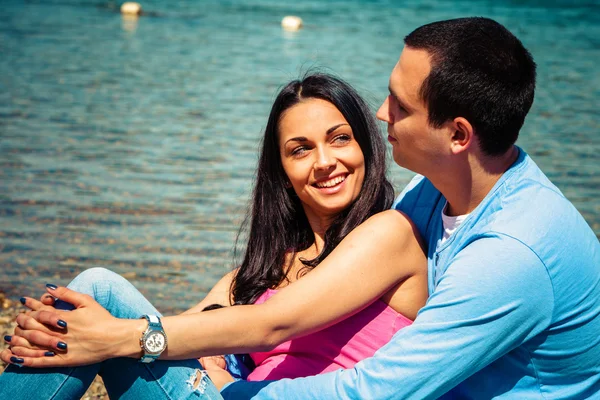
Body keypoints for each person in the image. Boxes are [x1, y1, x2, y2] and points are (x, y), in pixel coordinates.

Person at [4, 16, 600, 399]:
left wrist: (127, 343)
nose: (383, 114)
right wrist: (115, 334)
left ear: (459, 135)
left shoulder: (509, 256)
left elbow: (372, 390)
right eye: (299, 149)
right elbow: (231, 310)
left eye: (398, 104)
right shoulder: (441, 196)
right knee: (89, 302)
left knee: (101, 295)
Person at [0, 73, 427, 398]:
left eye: (340, 139)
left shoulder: (389, 233)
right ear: (281, 171)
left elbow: (271, 325)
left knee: (101, 288)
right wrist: (49, 336)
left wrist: (110, 337)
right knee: (84, 311)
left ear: (366, 148)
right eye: (300, 149)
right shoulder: (262, 273)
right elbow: (182, 328)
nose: (324, 162)